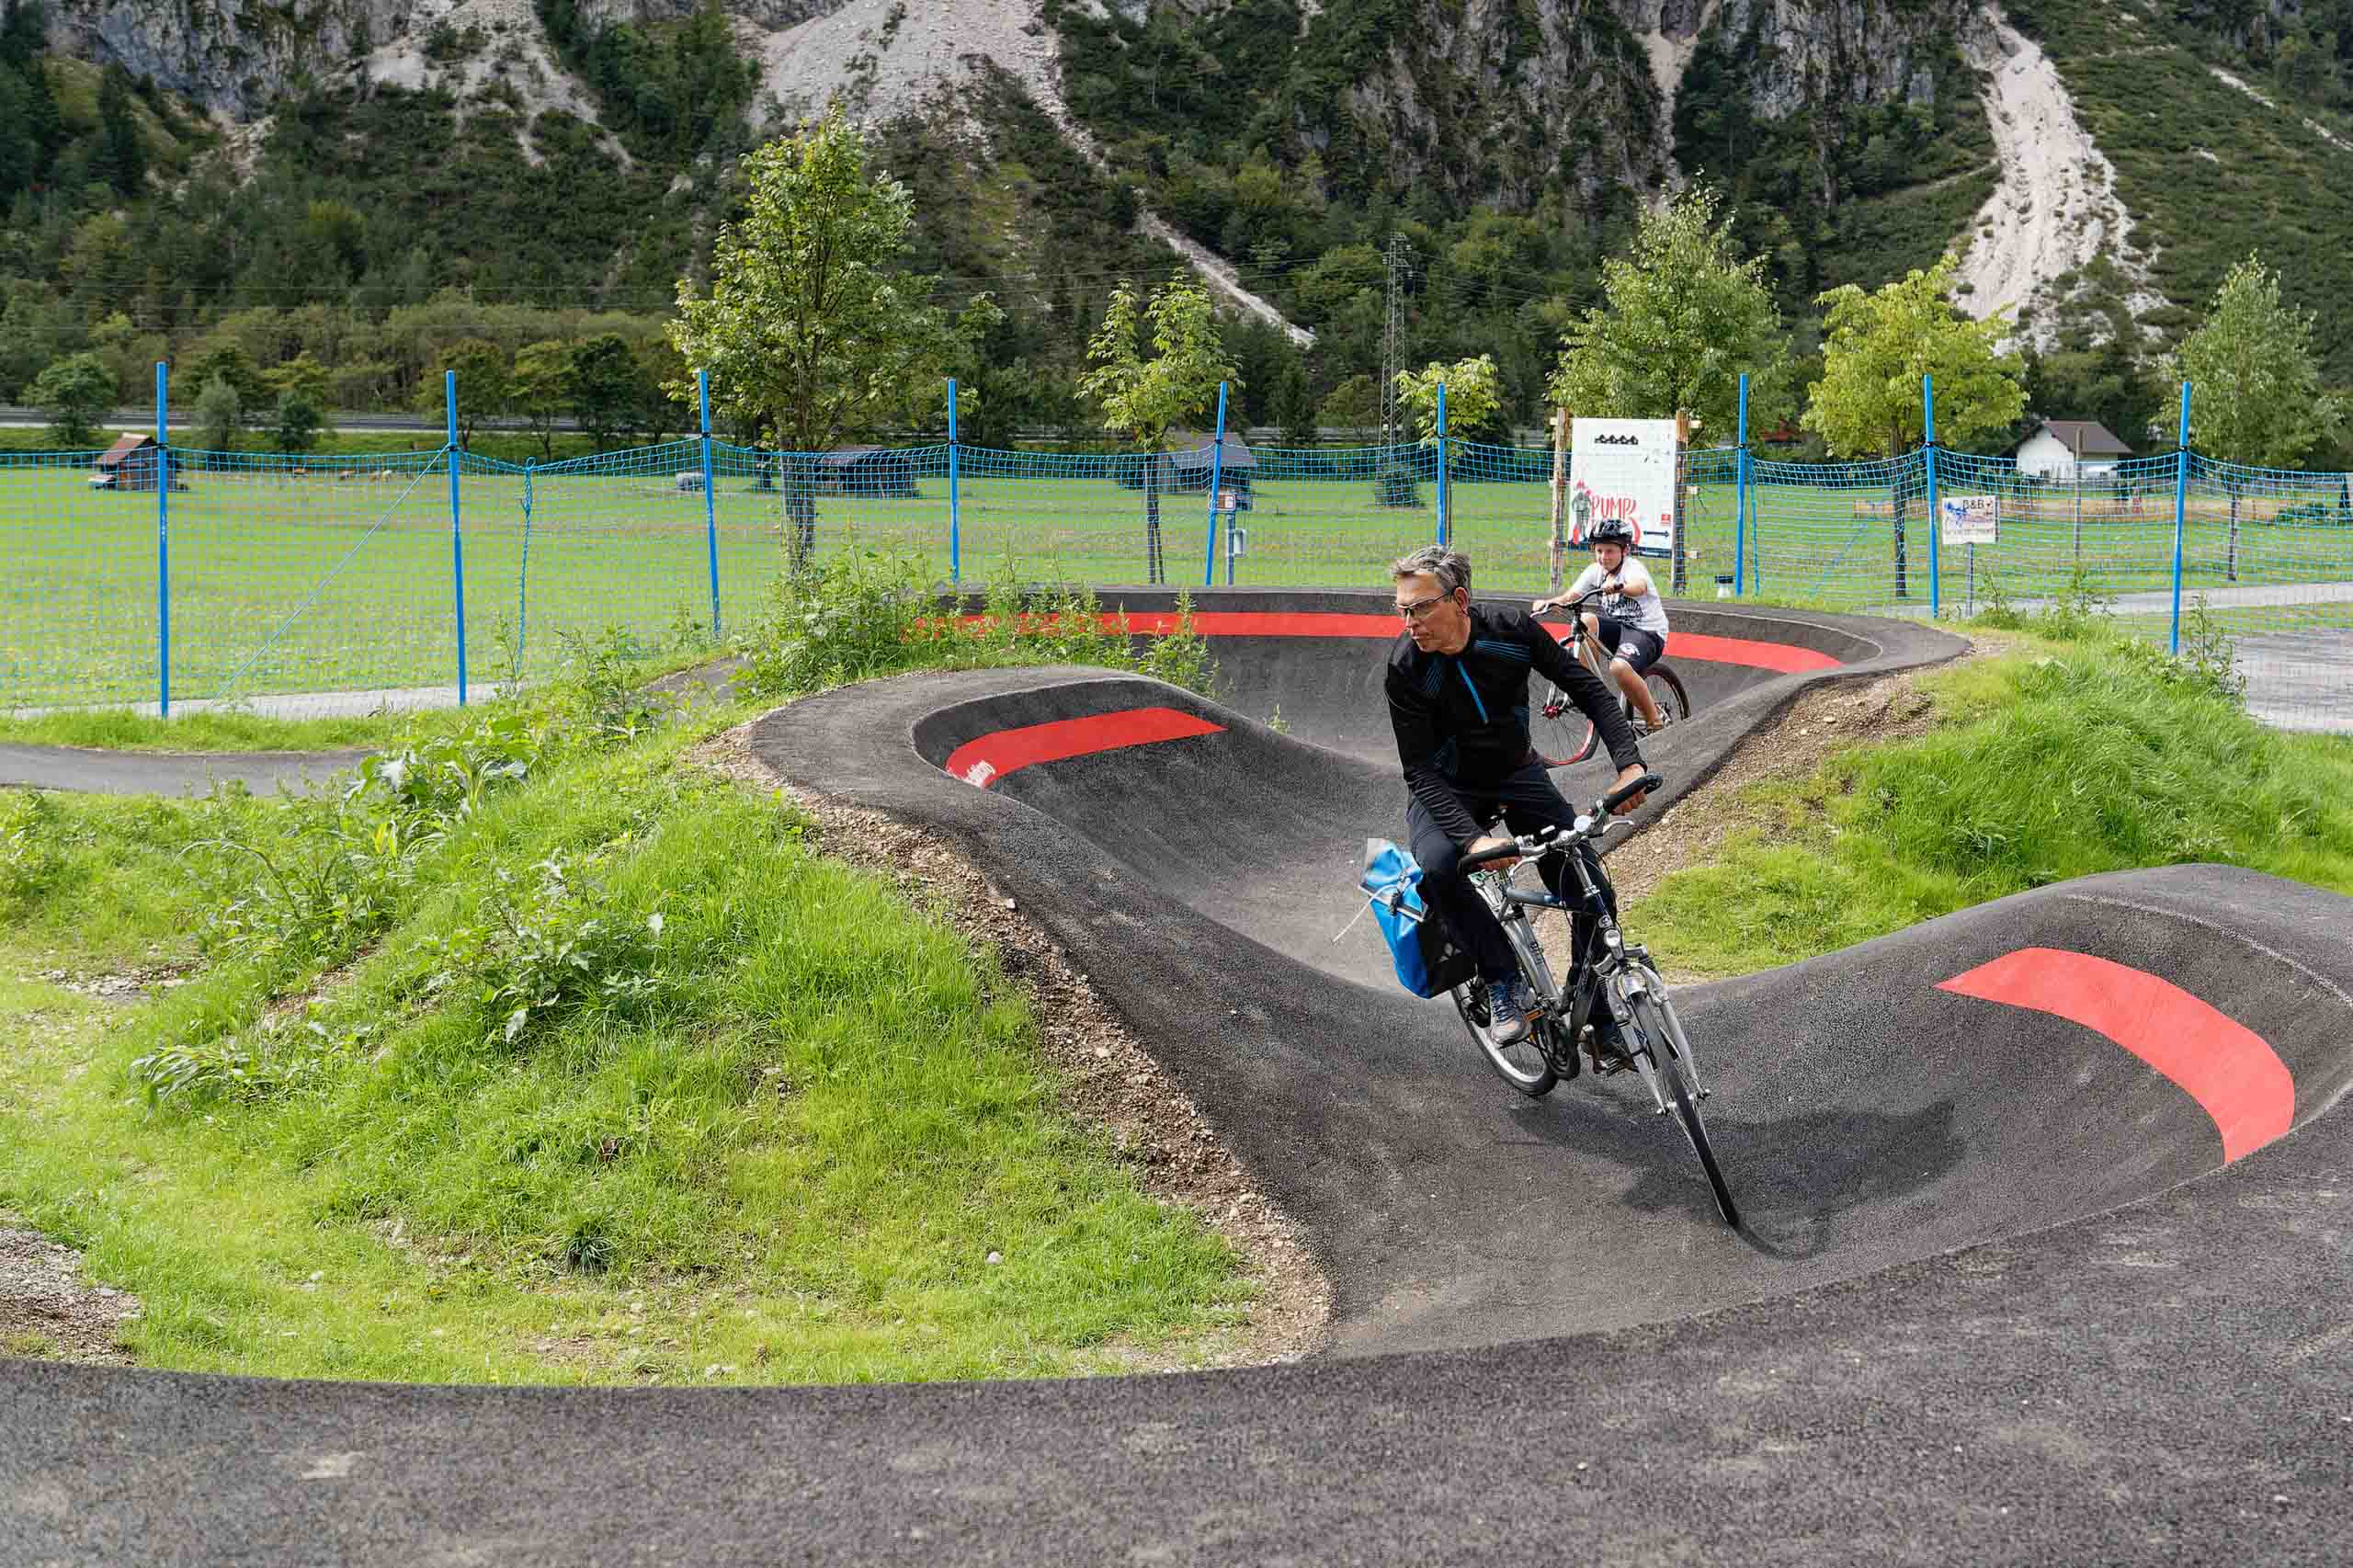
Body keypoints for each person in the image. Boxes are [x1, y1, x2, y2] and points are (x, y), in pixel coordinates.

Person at [1386, 544, 1649, 1047]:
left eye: (1419, 608)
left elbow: (1590, 690)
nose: (1409, 622)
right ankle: (1501, 979)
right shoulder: (1407, 667)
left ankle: (1593, 1009)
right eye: (1401, 610)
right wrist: (1472, 841)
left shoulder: (1510, 630)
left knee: (1593, 888)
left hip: (1516, 773)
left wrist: (1628, 762)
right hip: (1448, 789)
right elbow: (1418, 770)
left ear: (1459, 599)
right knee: (1442, 868)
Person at [1536, 518, 1670, 733]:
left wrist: (1620, 587)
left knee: (1619, 667)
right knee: (1585, 621)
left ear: (1624, 550)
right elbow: (1572, 595)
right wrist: (1549, 603)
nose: (1603, 557)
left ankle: (1655, 721)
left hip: (1647, 633)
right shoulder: (1594, 571)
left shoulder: (1633, 568)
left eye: (1610, 551)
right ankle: (1592, 692)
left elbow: (1640, 587)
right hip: (1620, 630)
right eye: (1599, 551)